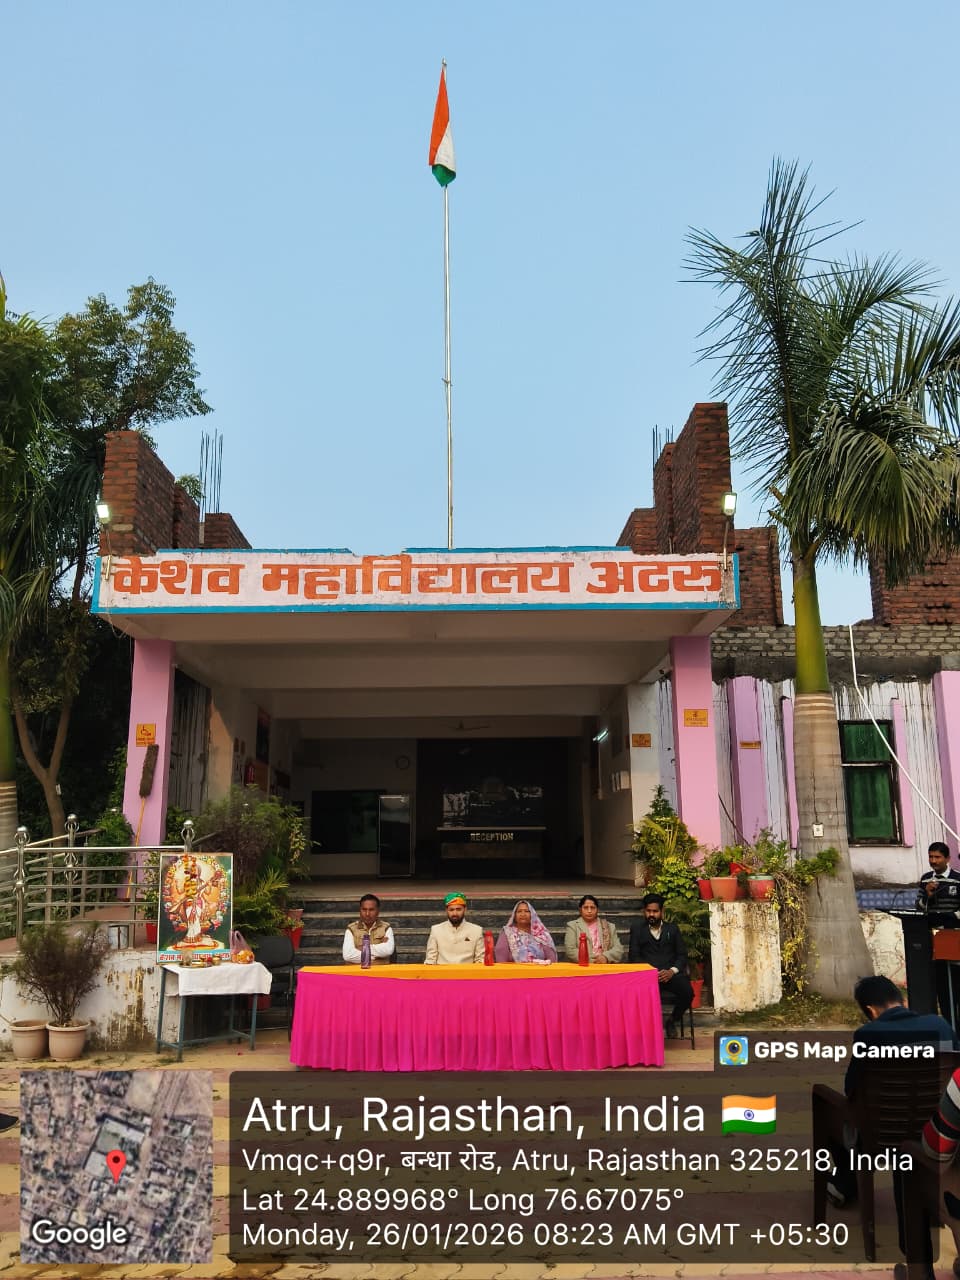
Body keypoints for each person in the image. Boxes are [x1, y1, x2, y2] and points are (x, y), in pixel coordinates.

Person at [627, 893, 694, 1038]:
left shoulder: (673, 929)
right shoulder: (637, 929)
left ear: (662, 912)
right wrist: (651, 972)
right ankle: (648, 1029)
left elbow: (682, 955)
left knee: (688, 993)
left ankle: (672, 1020)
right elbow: (634, 956)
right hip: (648, 976)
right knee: (638, 995)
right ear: (644, 911)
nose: (651, 914)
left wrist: (672, 971)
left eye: (655, 911)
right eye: (648, 911)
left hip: (670, 975)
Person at [424, 892, 484, 964]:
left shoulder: (476, 930)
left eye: (458, 909)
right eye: (451, 910)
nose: (455, 913)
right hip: (443, 970)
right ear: (446, 910)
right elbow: (430, 960)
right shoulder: (436, 930)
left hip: (466, 971)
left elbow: (480, 960)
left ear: (465, 909)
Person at [564, 895, 623, 964]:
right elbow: (570, 950)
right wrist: (594, 960)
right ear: (580, 910)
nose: (589, 911)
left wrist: (606, 957)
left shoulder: (609, 926)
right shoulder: (573, 926)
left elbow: (618, 949)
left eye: (592, 908)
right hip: (583, 965)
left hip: (605, 966)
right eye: (586, 908)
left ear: (597, 909)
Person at [342, 894, 395, 965]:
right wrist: (376, 957)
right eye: (364, 909)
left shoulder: (386, 928)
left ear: (378, 911)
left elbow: (388, 950)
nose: (367, 914)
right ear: (360, 910)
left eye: (371, 910)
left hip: (380, 970)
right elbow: (348, 955)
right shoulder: (351, 929)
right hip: (357, 971)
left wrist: (364, 948)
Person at [916, 841, 960, 910]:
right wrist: (927, 895)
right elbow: (918, 907)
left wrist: (951, 915)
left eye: (937, 857)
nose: (933, 861)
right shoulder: (925, 878)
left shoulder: (958, 878)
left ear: (947, 859)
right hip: (930, 917)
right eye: (931, 857)